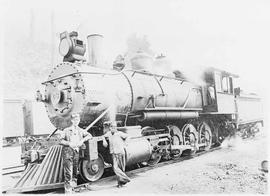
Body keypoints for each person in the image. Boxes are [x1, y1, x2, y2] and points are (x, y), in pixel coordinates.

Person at [59, 113, 92, 193]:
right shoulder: (66, 130)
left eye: (77, 120)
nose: (76, 121)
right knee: (68, 173)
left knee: (74, 172)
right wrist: (69, 143)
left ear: (79, 120)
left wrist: (82, 140)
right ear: (71, 120)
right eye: (74, 120)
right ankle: (68, 192)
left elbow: (89, 135)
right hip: (68, 152)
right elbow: (60, 140)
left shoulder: (80, 130)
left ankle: (73, 188)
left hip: (76, 152)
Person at [102, 121, 131, 187]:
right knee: (115, 168)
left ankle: (120, 183)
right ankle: (126, 178)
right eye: (112, 127)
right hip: (114, 153)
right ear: (110, 128)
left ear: (116, 127)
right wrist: (104, 140)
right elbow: (103, 136)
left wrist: (125, 144)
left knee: (121, 169)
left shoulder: (119, 133)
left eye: (115, 127)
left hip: (120, 153)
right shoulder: (109, 133)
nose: (113, 128)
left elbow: (128, 137)